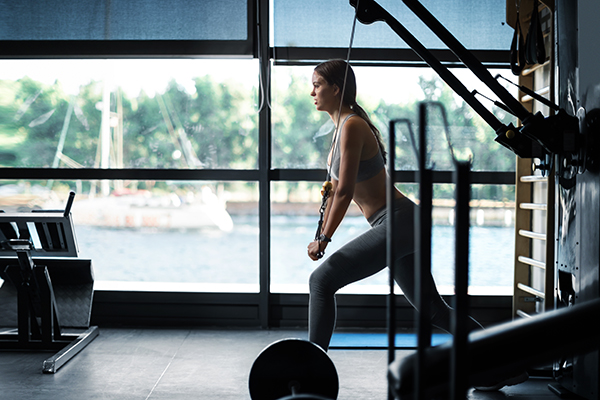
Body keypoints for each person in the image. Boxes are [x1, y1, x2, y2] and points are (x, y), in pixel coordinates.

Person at [306, 59, 484, 352]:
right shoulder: (340, 129)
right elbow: (337, 189)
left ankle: (312, 368)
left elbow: (346, 191)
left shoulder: (352, 126)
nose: (312, 93)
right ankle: (505, 364)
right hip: (400, 222)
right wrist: (322, 221)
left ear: (336, 89)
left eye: (317, 85)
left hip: (398, 221)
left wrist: (324, 238)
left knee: (321, 281)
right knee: (434, 310)